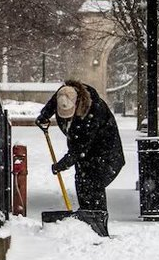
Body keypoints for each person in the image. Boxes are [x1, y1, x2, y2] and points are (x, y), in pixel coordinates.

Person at [36, 79, 125, 212]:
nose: (66, 119)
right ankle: (85, 216)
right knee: (81, 180)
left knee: (94, 184)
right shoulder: (64, 94)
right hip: (84, 152)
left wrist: (62, 165)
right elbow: (54, 102)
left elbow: (79, 148)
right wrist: (44, 115)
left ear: (77, 103)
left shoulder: (94, 111)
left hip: (106, 153)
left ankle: (97, 220)